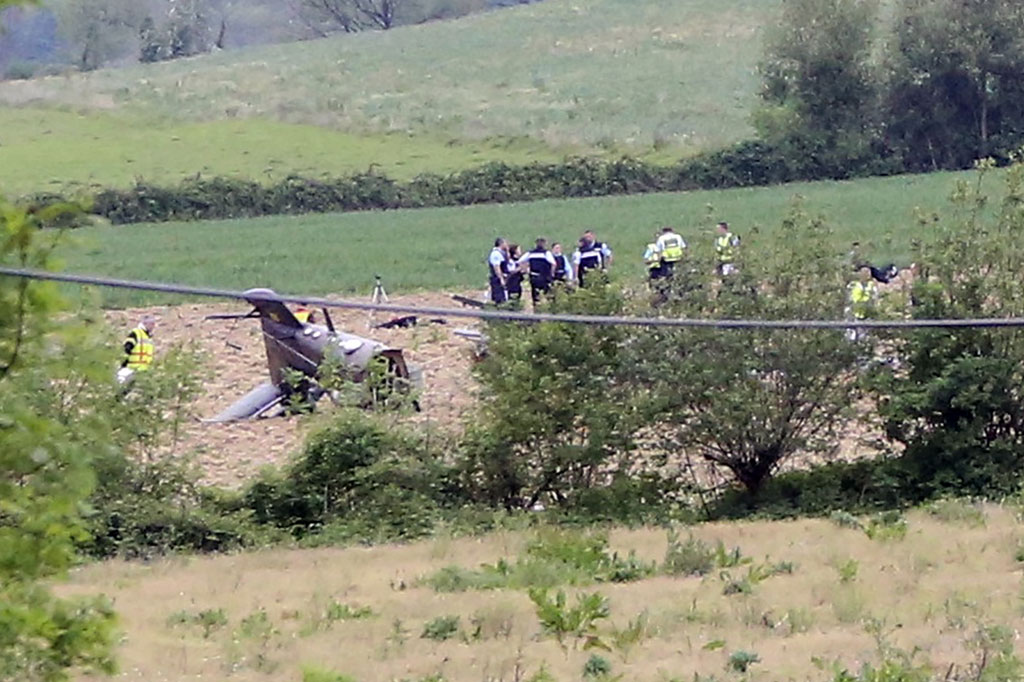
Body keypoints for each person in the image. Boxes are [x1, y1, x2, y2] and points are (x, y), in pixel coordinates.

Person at [117, 315, 156, 384]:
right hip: (131, 369)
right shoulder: (136, 333)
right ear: (145, 323)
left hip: (143, 370)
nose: (153, 326)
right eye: (152, 324)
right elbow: (127, 347)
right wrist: (123, 363)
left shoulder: (148, 337)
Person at [846, 266, 878, 342]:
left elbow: (874, 298)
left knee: (864, 338)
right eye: (864, 273)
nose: (866, 275)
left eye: (868, 273)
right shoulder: (853, 285)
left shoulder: (872, 285)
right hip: (853, 314)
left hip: (867, 315)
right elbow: (848, 298)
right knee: (851, 337)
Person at [523, 237, 557, 304]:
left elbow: (520, 261)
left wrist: (526, 270)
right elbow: (554, 264)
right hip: (544, 277)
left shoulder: (530, 253)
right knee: (548, 294)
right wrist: (552, 274)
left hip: (533, 276)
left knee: (535, 295)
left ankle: (536, 307)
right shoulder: (546, 253)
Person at [488, 238, 509, 304]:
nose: (507, 244)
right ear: (501, 244)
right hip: (497, 279)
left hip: (501, 277)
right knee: (499, 297)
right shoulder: (496, 254)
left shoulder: (501, 253)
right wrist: (501, 278)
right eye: (505, 243)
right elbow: (496, 267)